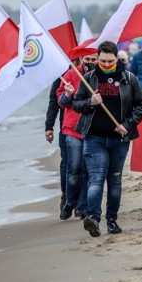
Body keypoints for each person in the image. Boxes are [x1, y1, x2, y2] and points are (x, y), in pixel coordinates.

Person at [73, 41, 142, 237]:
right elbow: (76, 104)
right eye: (102, 61)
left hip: (119, 139)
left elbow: (141, 105)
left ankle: (112, 220)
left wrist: (128, 124)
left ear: (116, 59)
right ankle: (94, 218)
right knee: (96, 179)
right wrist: (90, 101)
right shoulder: (89, 78)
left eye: (110, 61)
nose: (106, 65)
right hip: (94, 138)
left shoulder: (129, 78)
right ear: (97, 59)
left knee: (114, 180)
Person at [57, 50, 98, 220]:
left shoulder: (101, 76)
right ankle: (70, 201)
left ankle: (82, 207)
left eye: (93, 59)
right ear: (81, 59)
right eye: (87, 59)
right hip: (73, 128)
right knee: (74, 168)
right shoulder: (71, 74)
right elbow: (60, 102)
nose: (90, 62)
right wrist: (67, 94)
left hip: (94, 129)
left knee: (88, 171)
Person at [45, 76, 67, 211]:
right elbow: (54, 103)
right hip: (66, 127)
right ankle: (66, 196)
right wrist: (49, 127)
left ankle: (82, 203)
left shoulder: (90, 72)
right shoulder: (61, 75)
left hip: (89, 127)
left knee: (84, 165)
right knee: (67, 163)